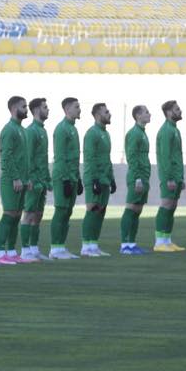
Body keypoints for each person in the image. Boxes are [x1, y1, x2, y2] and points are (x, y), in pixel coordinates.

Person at [0, 95, 29, 264]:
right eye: (24, 106)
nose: (27, 109)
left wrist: (27, 178)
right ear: (15, 109)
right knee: (9, 214)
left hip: (21, 180)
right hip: (10, 180)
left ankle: (11, 251)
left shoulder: (22, 130)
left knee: (17, 216)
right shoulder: (8, 130)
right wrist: (16, 178)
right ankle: (1, 253)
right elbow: (6, 156)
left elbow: (24, 157)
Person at [81, 102, 116, 257]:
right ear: (97, 115)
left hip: (105, 179)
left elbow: (106, 159)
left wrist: (112, 178)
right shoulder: (92, 133)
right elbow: (90, 158)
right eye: (106, 112)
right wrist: (94, 180)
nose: (109, 114)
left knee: (101, 212)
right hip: (94, 179)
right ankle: (86, 246)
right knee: (92, 210)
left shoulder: (105, 134)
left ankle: (94, 245)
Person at [49, 96, 82, 260]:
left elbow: (74, 157)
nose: (79, 109)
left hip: (72, 176)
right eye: (76, 107)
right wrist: (66, 179)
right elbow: (60, 157)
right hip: (63, 177)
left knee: (68, 212)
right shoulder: (61, 129)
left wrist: (78, 177)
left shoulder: (73, 128)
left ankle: (61, 247)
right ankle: (55, 248)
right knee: (61, 210)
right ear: (67, 109)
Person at [119, 105, 152, 255]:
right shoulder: (134, 134)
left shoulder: (143, 133)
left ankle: (132, 244)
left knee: (137, 210)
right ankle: (125, 245)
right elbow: (131, 156)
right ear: (138, 116)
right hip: (136, 177)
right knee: (131, 208)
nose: (149, 114)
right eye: (146, 112)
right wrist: (138, 178)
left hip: (144, 176)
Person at [20, 98, 50, 263]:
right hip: (33, 181)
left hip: (42, 181)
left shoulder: (42, 130)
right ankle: (25, 250)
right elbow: (28, 157)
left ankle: (34, 248)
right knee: (29, 214)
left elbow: (42, 158)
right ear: (37, 110)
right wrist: (29, 178)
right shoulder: (31, 131)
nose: (48, 110)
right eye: (45, 107)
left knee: (38, 215)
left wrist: (47, 179)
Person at [153, 99, 185, 253]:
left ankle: (167, 239)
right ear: (168, 113)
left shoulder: (175, 130)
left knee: (172, 207)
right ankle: (159, 242)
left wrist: (180, 177)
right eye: (177, 109)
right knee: (166, 206)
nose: (180, 111)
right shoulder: (166, 130)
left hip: (176, 176)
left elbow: (177, 156)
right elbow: (165, 158)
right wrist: (169, 178)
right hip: (169, 177)